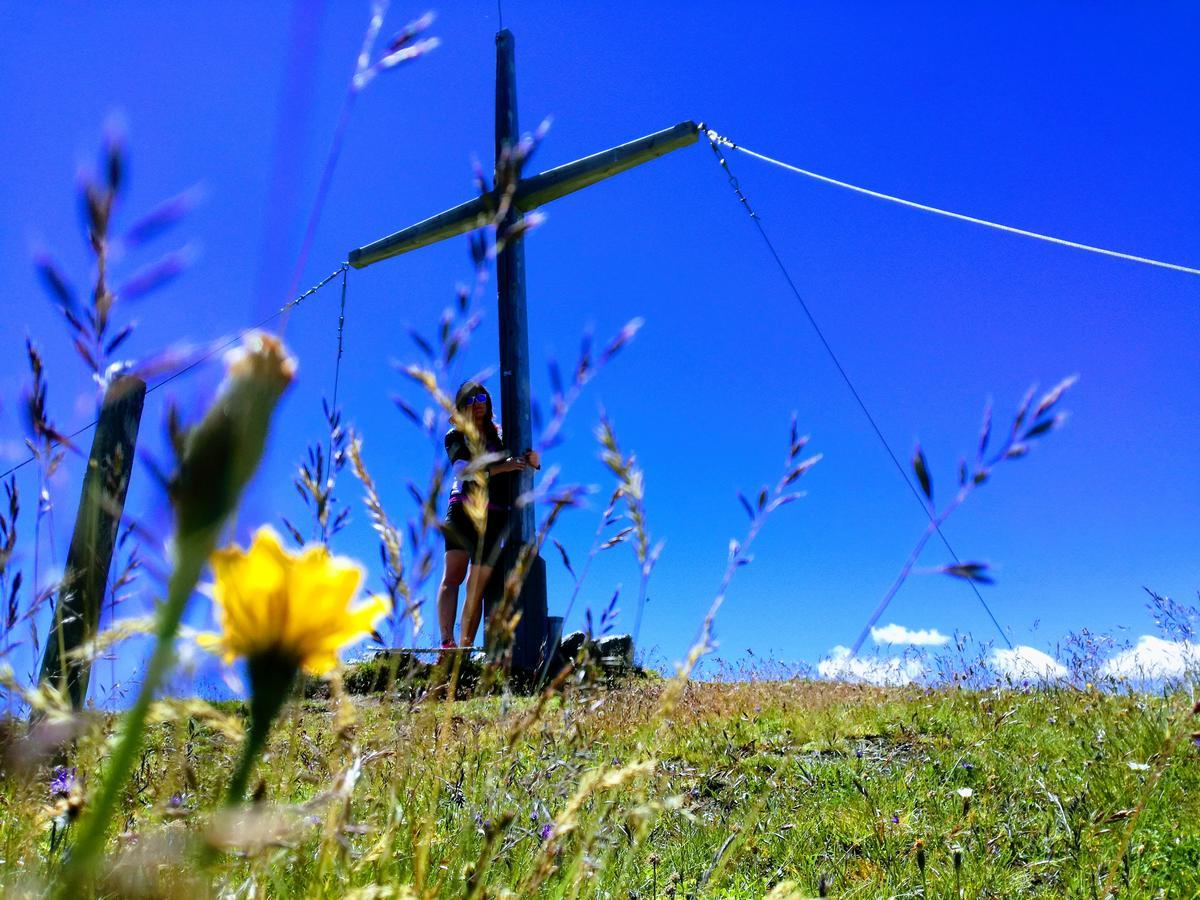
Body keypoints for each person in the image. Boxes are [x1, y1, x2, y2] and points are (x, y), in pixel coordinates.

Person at [437, 381, 540, 651]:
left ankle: (466, 649)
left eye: (481, 397)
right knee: (453, 576)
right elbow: (462, 471)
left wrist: (533, 460)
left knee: (477, 586)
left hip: (493, 515)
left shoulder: (503, 436)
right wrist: (500, 469)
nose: (478, 403)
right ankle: (447, 643)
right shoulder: (455, 435)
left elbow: (523, 461)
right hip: (462, 508)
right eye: (470, 400)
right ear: (461, 407)